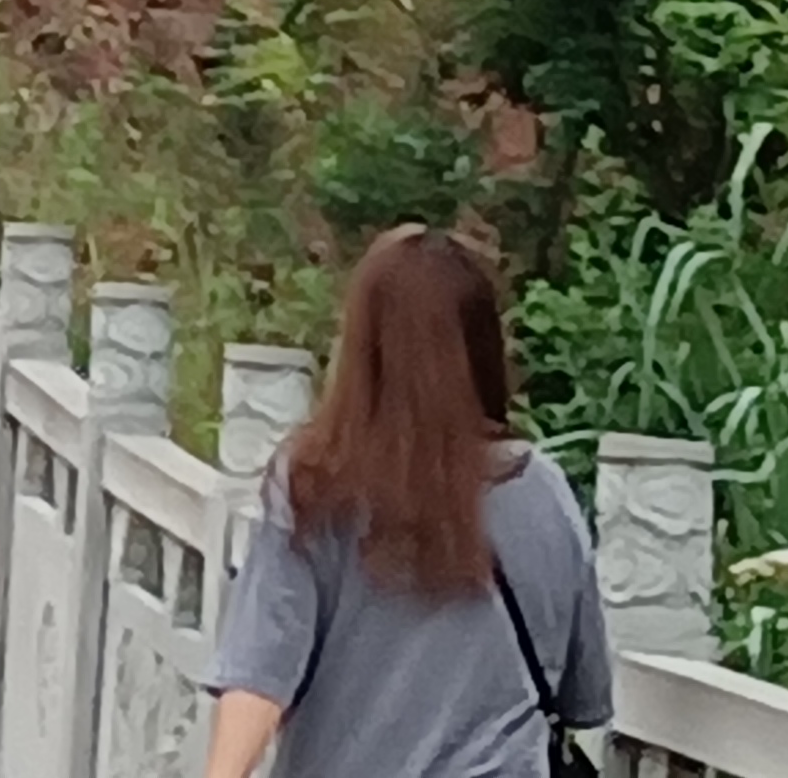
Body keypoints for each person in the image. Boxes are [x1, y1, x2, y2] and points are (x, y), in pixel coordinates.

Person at [200, 225, 611, 778]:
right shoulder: (544, 492)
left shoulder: (318, 485)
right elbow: (585, 697)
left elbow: (260, 673)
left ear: (363, 349)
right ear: (485, 347)